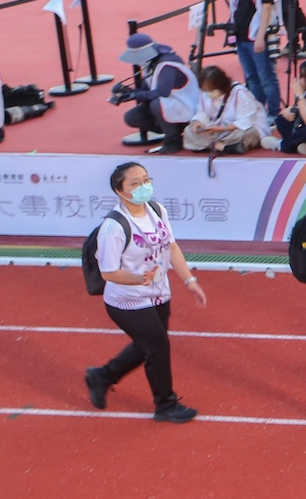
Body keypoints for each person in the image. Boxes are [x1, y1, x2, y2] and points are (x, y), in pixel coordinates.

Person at [83, 162, 207, 422]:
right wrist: (140, 279)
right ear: (120, 190)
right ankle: (165, 404)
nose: (144, 187)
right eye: (135, 183)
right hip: (127, 300)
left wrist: (189, 281)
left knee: (148, 345)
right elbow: (109, 272)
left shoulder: (156, 210)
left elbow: (171, 247)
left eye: (146, 180)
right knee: (158, 346)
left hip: (159, 293)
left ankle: (102, 376)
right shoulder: (113, 228)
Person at [225, 0, 281, 121]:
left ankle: (273, 113)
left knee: (266, 77)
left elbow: (266, 8)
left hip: (255, 37)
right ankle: (257, 111)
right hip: (241, 37)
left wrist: (260, 36)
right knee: (251, 78)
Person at [118, 32, 199, 154]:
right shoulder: (151, 64)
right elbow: (147, 90)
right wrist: (128, 92)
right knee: (131, 117)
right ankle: (172, 129)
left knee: (156, 103)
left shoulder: (167, 66)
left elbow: (162, 93)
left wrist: (134, 95)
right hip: (173, 107)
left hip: (188, 109)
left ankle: (173, 140)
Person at [184, 65, 266, 154]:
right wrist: (197, 123)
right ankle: (223, 147)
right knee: (189, 131)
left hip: (233, 129)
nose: (209, 93)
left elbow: (247, 120)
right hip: (215, 130)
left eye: (212, 90)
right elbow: (202, 112)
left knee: (249, 133)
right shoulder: (205, 94)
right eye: (206, 90)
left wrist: (221, 128)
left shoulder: (239, 92)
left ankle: (212, 145)